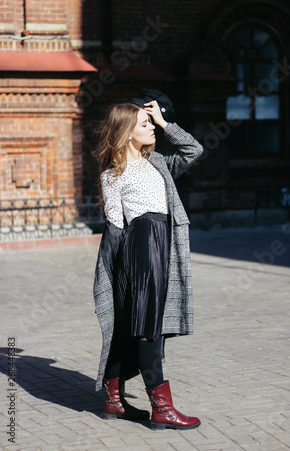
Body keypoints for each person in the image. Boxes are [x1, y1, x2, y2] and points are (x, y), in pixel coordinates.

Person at [93, 89, 203, 430]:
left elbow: (193, 150)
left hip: (161, 244)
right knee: (146, 329)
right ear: (127, 131)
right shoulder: (113, 174)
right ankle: (162, 410)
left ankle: (114, 400)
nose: (152, 127)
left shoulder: (159, 163)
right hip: (140, 249)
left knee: (140, 326)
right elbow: (114, 226)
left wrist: (165, 123)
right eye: (145, 123)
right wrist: (110, 277)